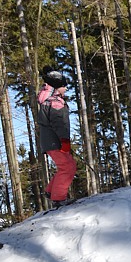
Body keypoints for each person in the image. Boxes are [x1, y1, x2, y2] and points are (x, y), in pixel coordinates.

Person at [37, 66, 77, 207]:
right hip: (55, 142)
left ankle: (51, 192)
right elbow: (59, 124)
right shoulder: (55, 102)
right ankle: (59, 199)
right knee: (68, 168)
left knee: (68, 165)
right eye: (63, 86)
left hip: (51, 142)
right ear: (56, 87)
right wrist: (64, 141)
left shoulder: (50, 101)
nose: (66, 89)